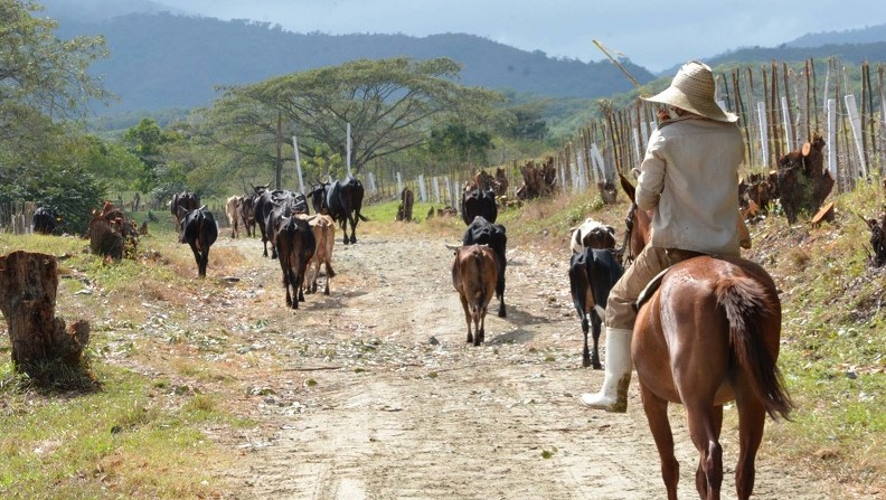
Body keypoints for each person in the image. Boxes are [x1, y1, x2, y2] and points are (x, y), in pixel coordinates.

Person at [581, 61, 745, 412]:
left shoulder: (665, 137)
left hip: (674, 247)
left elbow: (644, 199)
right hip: (726, 248)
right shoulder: (732, 135)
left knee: (619, 300)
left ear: (676, 103)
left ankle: (613, 389)